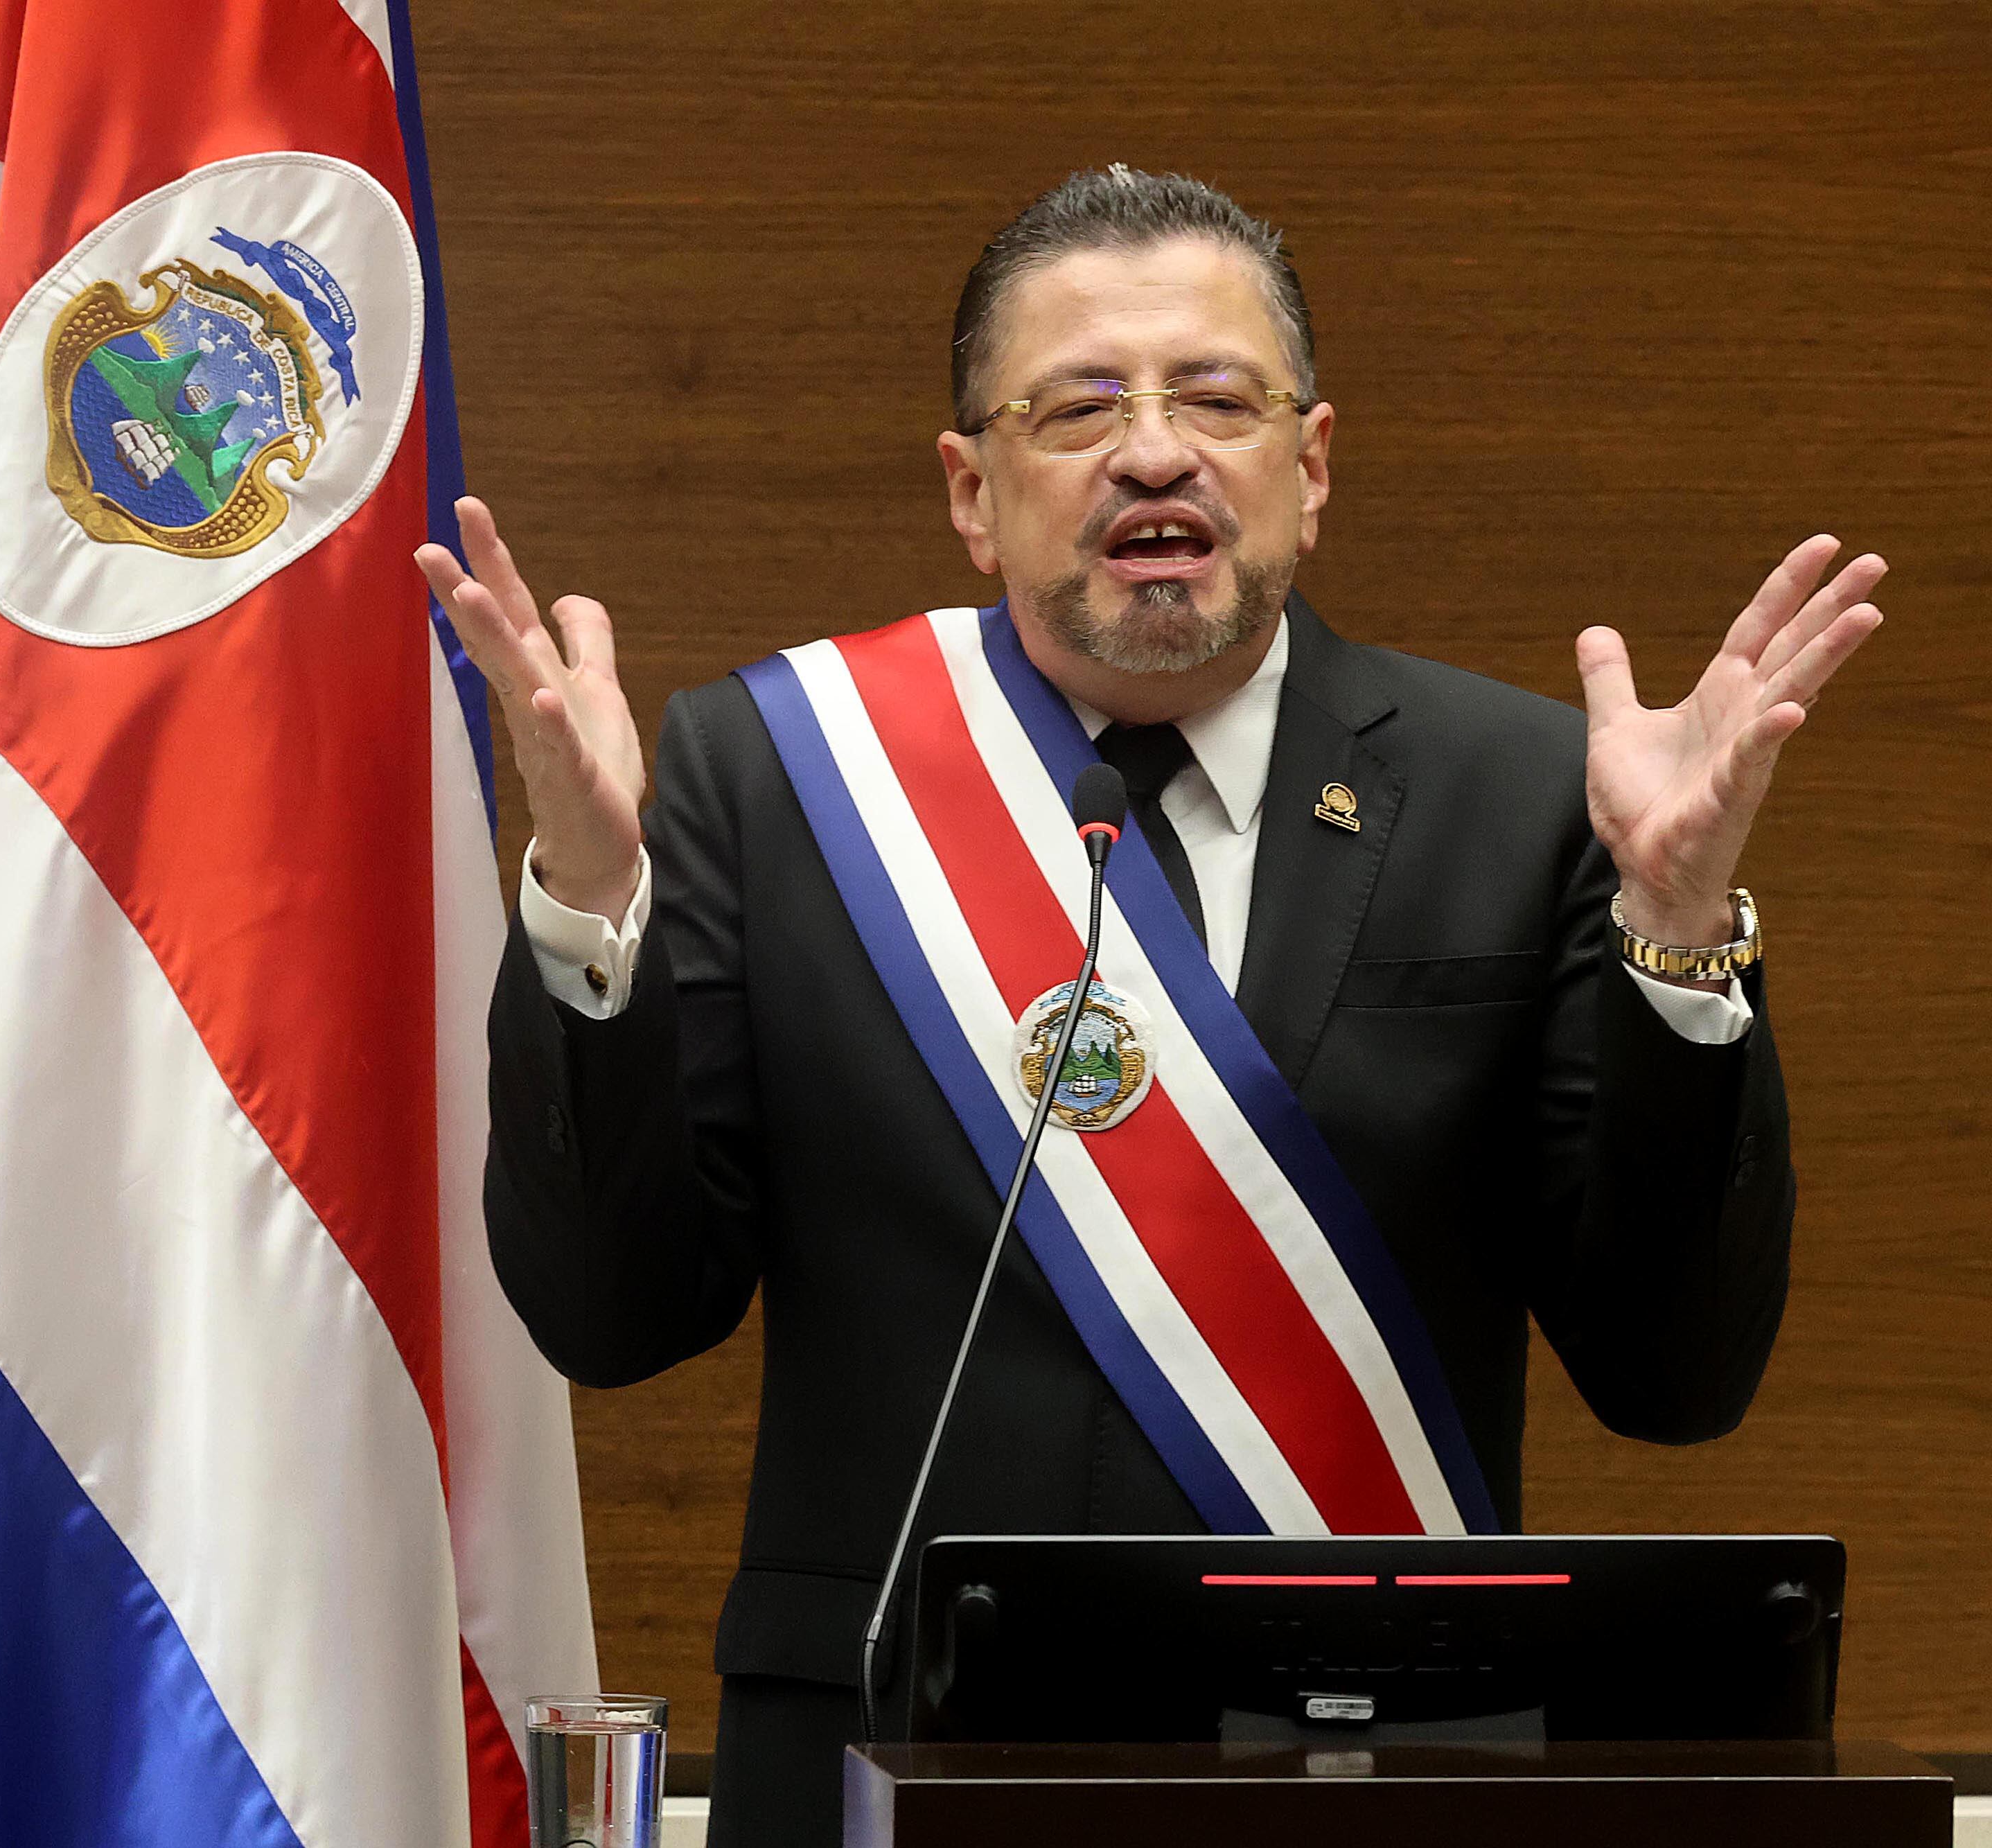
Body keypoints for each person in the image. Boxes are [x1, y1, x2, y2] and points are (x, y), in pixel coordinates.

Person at [415, 168, 1882, 1848]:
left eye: (1214, 397)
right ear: (971, 492)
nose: (1154, 452)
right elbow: (613, 1315)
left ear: (1308, 467)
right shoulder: (783, 776)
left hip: (1373, 1769)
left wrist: (1677, 935)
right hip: (879, 1769)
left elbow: (1672, 1370)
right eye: (1075, 406)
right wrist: (591, 903)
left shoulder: (1526, 793)